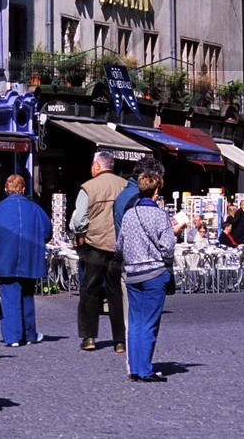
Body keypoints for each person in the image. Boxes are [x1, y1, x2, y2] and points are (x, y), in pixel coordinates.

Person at [116, 168, 174, 383]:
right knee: (149, 322)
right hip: (153, 273)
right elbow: (167, 248)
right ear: (156, 191)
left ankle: (135, 368)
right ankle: (146, 369)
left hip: (132, 274)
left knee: (135, 322)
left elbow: (119, 246)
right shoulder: (160, 216)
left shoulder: (130, 214)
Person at [0, 173, 52, 348]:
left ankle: (12, 336)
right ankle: (29, 334)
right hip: (30, 258)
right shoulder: (35, 209)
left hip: (5, 257)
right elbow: (47, 233)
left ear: (6, 189)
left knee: (9, 297)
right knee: (27, 296)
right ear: (23, 189)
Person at [69, 151, 128, 353]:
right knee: (115, 293)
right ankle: (120, 340)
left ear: (97, 166)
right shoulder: (124, 186)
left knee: (90, 290)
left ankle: (89, 337)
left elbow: (79, 218)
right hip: (118, 245)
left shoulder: (88, 187)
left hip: (94, 244)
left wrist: (81, 234)